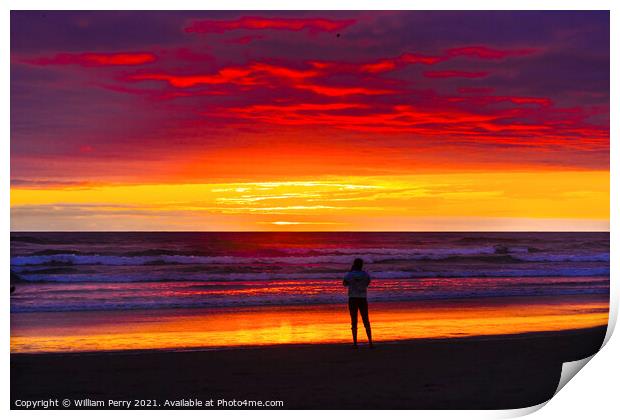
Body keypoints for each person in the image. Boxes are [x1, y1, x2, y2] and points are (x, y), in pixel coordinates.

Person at [343, 258, 373, 349]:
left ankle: (355, 343)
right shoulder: (365, 275)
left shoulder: (349, 275)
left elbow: (344, 284)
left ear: (354, 265)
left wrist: (350, 272)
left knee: (354, 320)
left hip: (352, 298)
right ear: (361, 265)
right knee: (366, 320)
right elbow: (367, 284)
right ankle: (370, 342)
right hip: (362, 298)